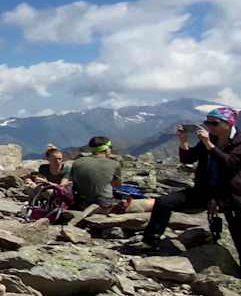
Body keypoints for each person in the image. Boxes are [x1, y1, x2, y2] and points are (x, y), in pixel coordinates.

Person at [142, 107, 241, 249]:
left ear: (229, 123)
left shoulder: (237, 141)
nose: (209, 126)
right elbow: (187, 159)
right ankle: (150, 241)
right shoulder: (210, 139)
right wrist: (183, 141)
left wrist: (209, 145)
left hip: (231, 194)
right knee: (164, 202)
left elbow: (231, 164)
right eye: (207, 122)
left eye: (214, 123)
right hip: (204, 190)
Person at [68, 136, 153, 214]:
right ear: (106, 149)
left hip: (81, 204)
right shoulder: (114, 163)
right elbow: (117, 185)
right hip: (105, 205)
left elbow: (73, 182)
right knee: (152, 202)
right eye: (111, 147)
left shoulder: (77, 162)